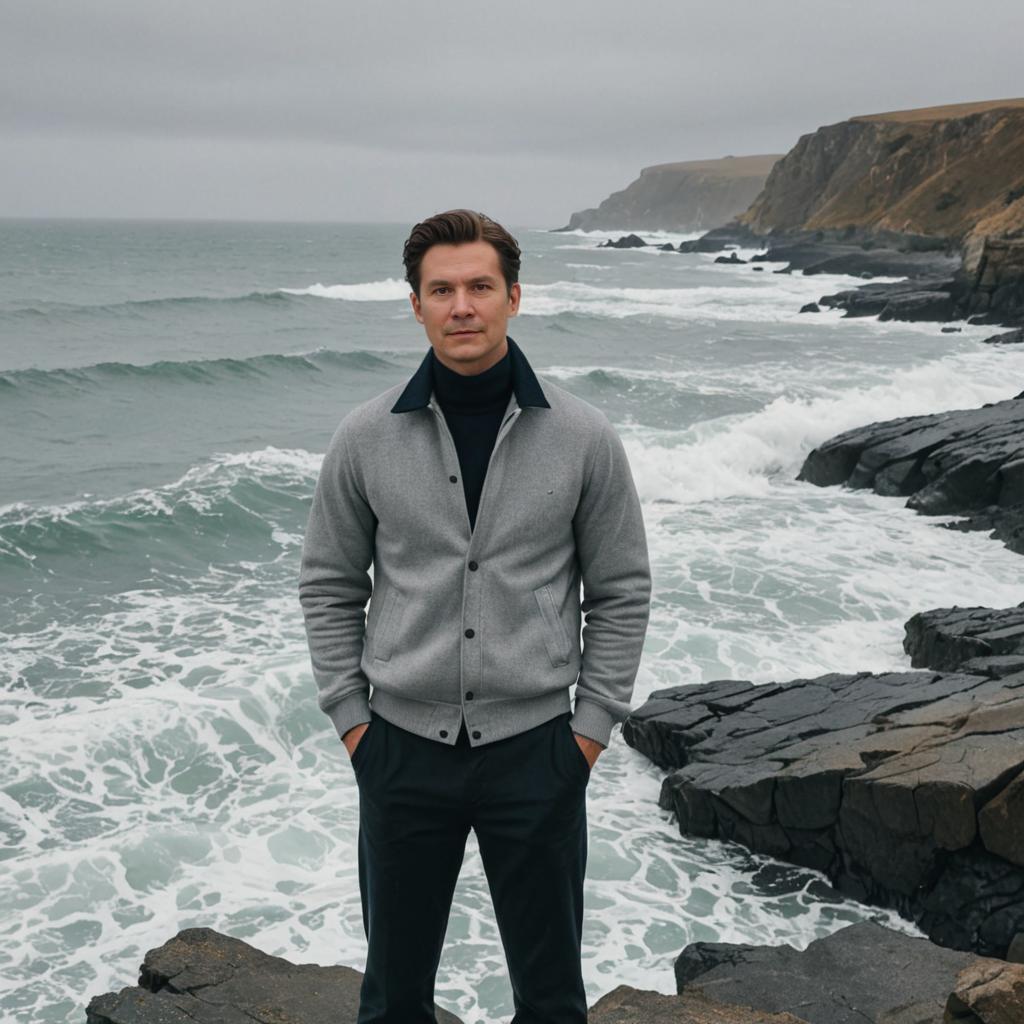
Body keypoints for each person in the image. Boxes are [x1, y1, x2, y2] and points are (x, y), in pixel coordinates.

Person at [298, 209, 651, 1023]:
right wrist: (355, 724)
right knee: (393, 999)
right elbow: (328, 584)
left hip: (538, 753)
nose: (463, 305)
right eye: (443, 289)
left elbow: (623, 589)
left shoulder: (585, 437)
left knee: (554, 999)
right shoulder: (363, 437)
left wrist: (588, 734)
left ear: (514, 297)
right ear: (415, 305)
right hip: (400, 753)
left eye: (480, 287)